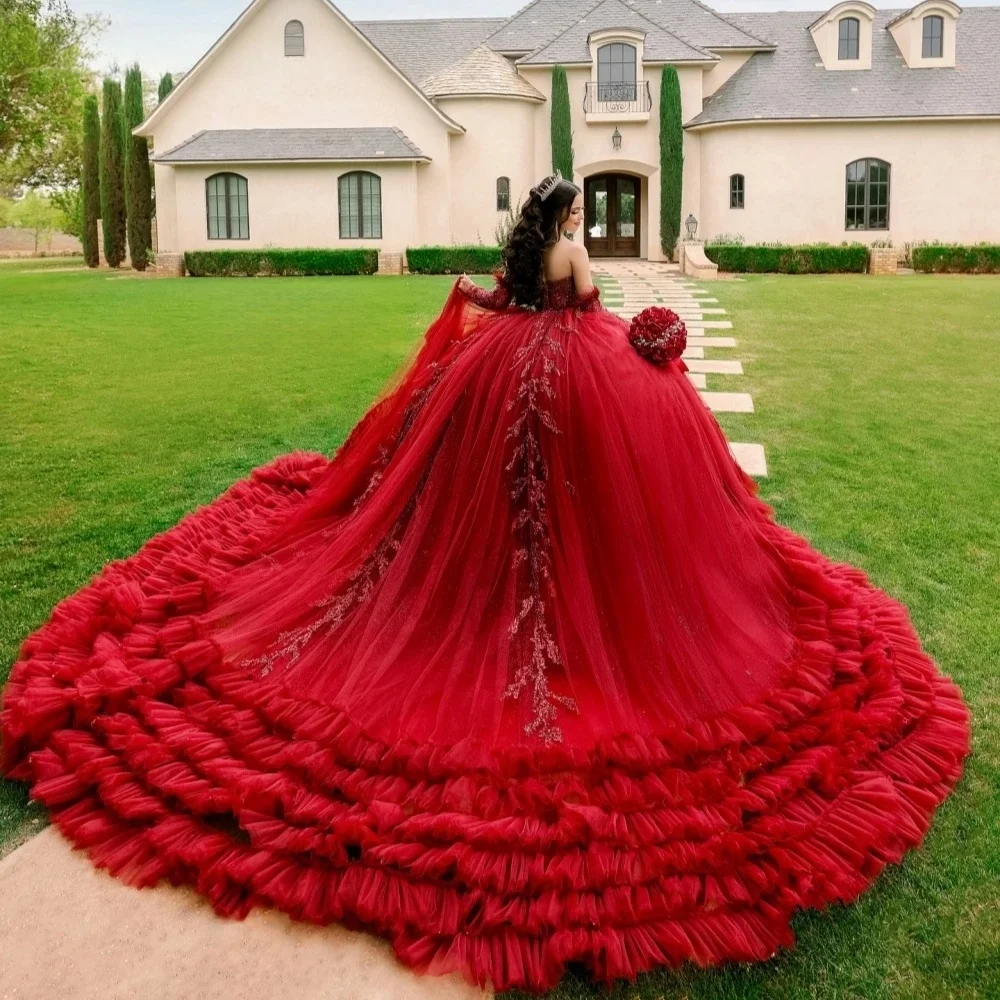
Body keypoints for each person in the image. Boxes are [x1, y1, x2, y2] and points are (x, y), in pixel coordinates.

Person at [0, 174, 971, 995]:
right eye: (579, 215)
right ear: (567, 220)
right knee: (572, 495)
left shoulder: (517, 260)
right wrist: (651, 348)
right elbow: (589, 309)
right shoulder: (570, 254)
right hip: (568, 369)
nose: (582, 226)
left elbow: (517, 307)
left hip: (503, 367)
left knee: (468, 503)